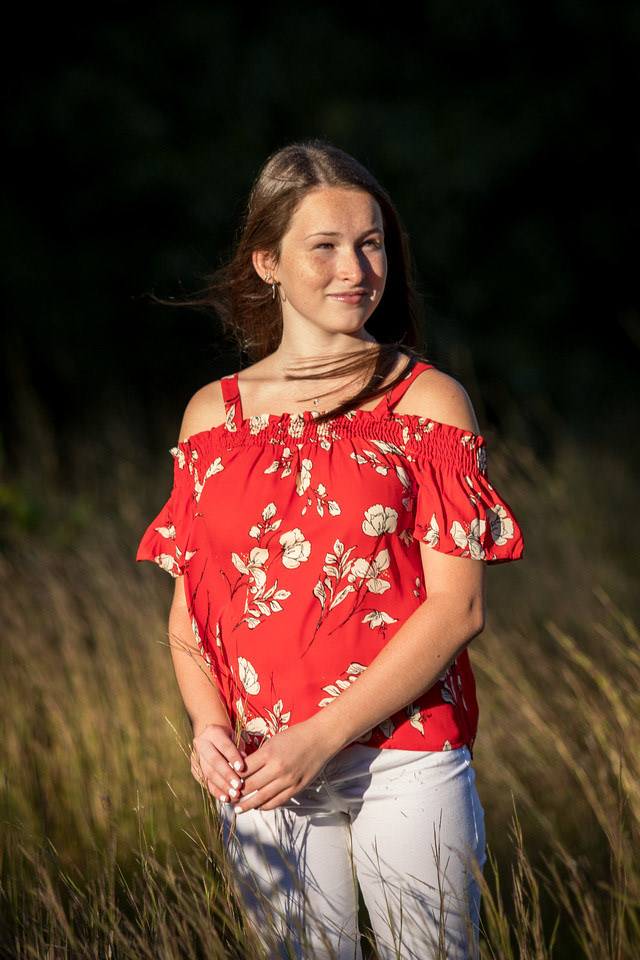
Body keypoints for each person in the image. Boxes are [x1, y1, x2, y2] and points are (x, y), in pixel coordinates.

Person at [137, 140, 524, 960]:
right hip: (261, 765)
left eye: (371, 243)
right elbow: (194, 613)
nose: (356, 268)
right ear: (267, 262)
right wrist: (208, 726)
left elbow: (458, 608)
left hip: (405, 754)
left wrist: (318, 739)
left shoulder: (427, 400)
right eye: (326, 245)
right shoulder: (212, 416)